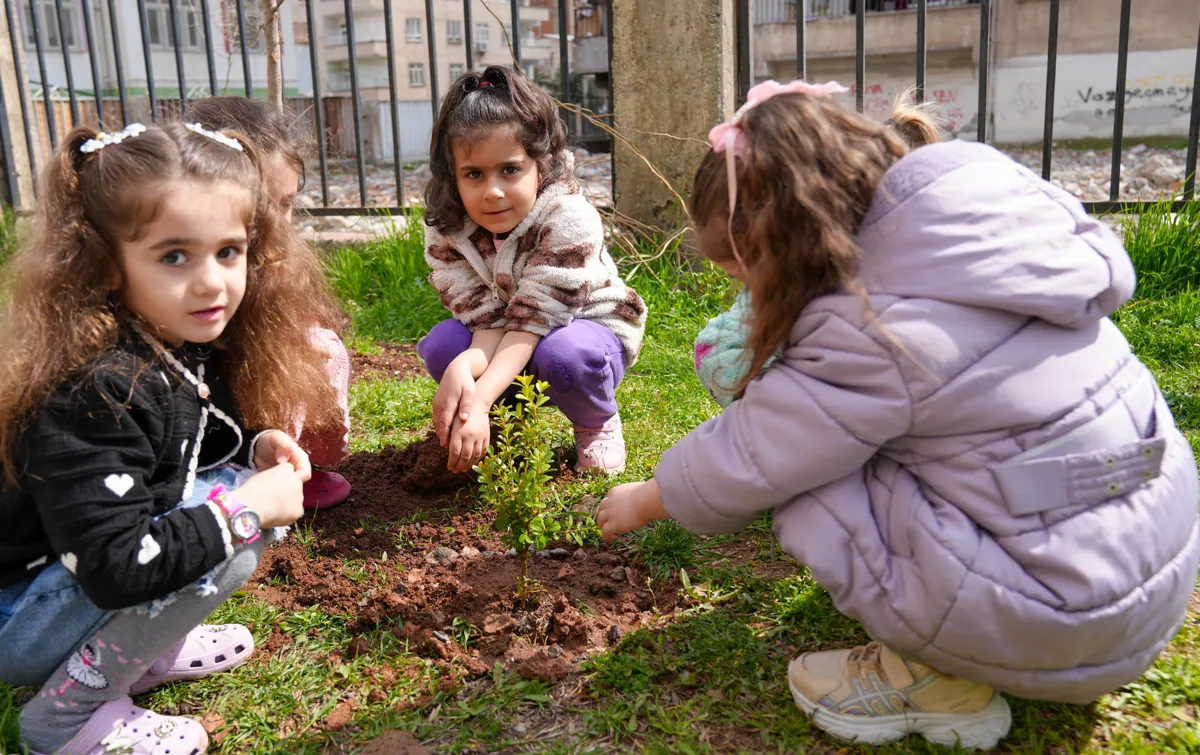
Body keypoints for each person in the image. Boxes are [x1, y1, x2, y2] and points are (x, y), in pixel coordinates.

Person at [598, 79, 1200, 750]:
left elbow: (762, 447)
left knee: (809, 485)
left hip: (1069, 616)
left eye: (745, 278)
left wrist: (649, 498)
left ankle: (928, 681)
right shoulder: (969, 223)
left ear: (788, 247)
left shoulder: (869, 322)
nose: (746, 294)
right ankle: (966, 619)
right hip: (1145, 564)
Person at [0, 121, 341, 754]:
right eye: (174, 256)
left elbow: (179, 455)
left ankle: (138, 648)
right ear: (106, 265)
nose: (212, 281)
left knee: (234, 493)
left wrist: (255, 444)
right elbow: (114, 566)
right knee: (235, 534)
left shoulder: (175, 337)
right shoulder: (92, 389)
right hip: (19, 617)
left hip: (66, 585)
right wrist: (241, 512)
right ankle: (67, 715)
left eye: (228, 251)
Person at [417, 66, 647, 475]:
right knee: (443, 345)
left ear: (541, 164)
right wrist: (463, 368)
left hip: (585, 330)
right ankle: (509, 425)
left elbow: (531, 324)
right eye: (474, 174)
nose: (493, 191)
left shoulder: (568, 218)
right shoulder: (448, 232)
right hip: (510, 331)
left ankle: (595, 422)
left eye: (509, 170)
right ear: (452, 177)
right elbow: (487, 320)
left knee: (564, 356)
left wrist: (477, 399)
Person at [183, 97, 353, 510]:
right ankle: (232, 471)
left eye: (287, 204)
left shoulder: (281, 258)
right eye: (262, 205)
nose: (277, 222)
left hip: (259, 393)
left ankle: (294, 462)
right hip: (205, 393)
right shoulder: (194, 264)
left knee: (318, 349)